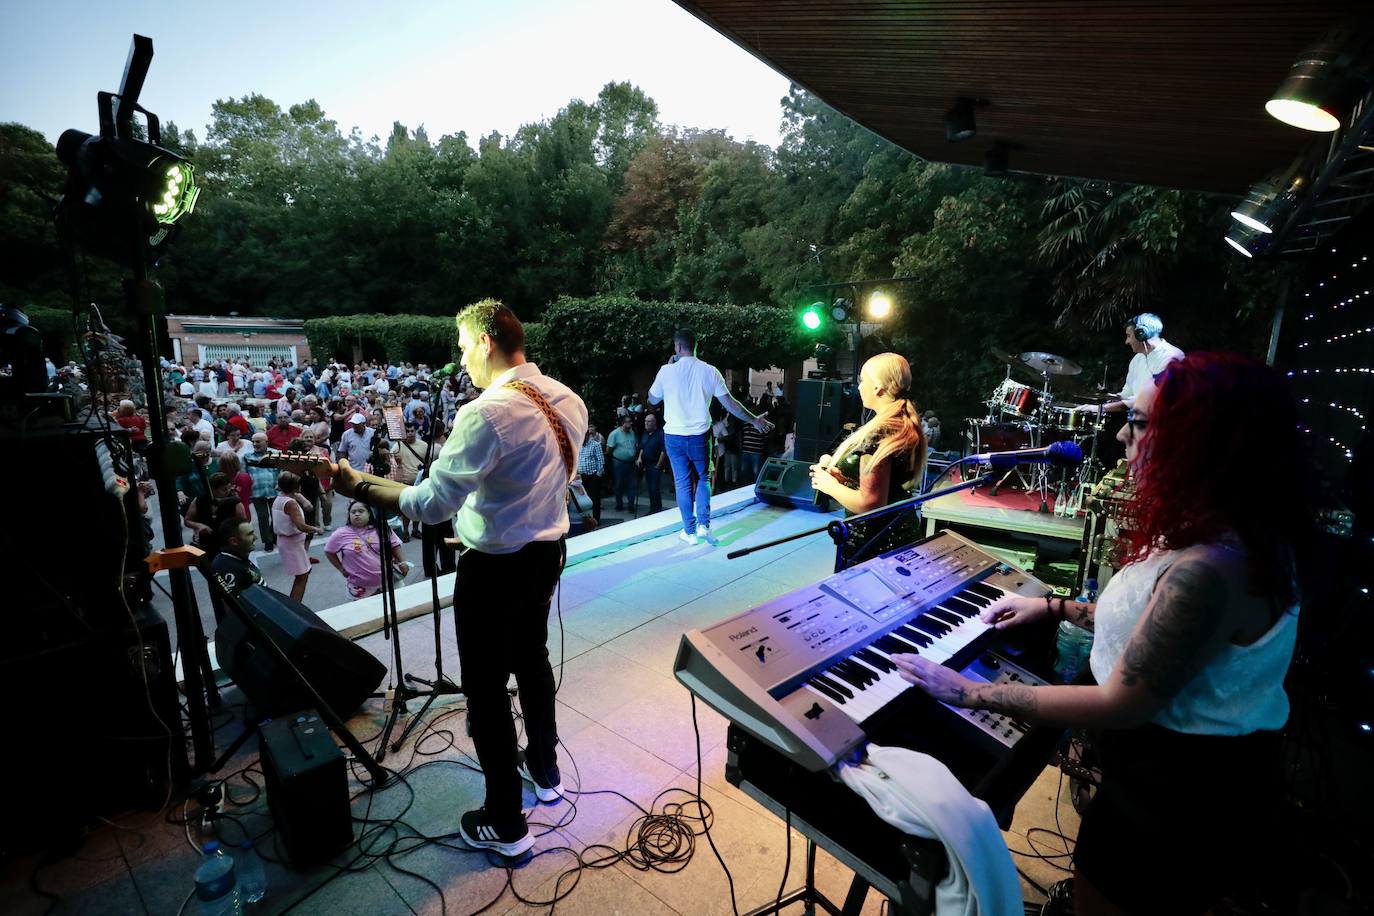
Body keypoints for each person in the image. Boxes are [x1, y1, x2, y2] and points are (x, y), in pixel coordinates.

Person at [895, 353, 1309, 916]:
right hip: (1169, 776)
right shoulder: (1222, 537)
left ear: (1200, 441)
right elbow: (1155, 630)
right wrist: (1056, 607)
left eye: (1139, 422)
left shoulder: (1211, 571)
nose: (1120, 434)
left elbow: (1123, 702)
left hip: (1175, 798)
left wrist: (968, 692)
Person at [333, 299, 587, 859]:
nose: (461, 356)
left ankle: (506, 824)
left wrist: (354, 485)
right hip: (546, 556)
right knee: (533, 662)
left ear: (486, 342)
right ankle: (545, 773)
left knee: (487, 691)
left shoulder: (486, 413)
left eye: (463, 344)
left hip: (494, 570)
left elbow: (428, 505)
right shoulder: (568, 399)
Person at [649, 328, 771, 545]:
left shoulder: (665, 371)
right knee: (704, 478)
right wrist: (754, 420)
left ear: (677, 347)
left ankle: (689, 532)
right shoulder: (710, 371)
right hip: (699, 436)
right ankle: (704, 526)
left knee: (683, 483)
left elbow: (653, 399)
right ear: (695, 346)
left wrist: (668, 368)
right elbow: (731, 403)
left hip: (674, 436)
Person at [808, 353, 927, 558]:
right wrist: (847, 481)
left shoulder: (879, 432)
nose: (859, 387)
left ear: (878, 387)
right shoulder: (902, 423)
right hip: (900, 534)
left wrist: (829, 485)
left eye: (862, 380)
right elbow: (886, 485)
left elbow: (870, 503)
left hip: (873, 544)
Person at [1084, 312, 1185, 414]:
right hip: (1140, 420)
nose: (1126, 341)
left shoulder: (1172, 357)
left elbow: (1151, 398)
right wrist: (1110, 397)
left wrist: (1101, 409)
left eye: (1128, 336)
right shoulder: (1137, 359)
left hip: (1163, 422)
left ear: (1140, 334)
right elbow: (1127, 395)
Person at [323, 501, 410, 598]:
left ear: (369, 513)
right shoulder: (340, 534)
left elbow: (394, 545)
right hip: (360, 588)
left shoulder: (381, 529)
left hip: (389, 581)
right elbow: (329, 551)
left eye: (361, 511)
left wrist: (403, 562)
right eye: (353, 512)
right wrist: (340, 568)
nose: (357, 514)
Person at [272, 471, 320, 602]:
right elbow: (301, 525)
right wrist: (315, 529)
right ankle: (295, 604)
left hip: (288, 542)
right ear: (295, 486)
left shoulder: (280, 498)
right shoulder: (290, 503)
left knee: (304, 573)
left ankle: (295, 603)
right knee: (302, 576)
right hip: (291, 544)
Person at [208, 517, 263, 600]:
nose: (255, 538)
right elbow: (233, 607)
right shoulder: (225, 568)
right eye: (250, 534)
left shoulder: (237, 557)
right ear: (234, 541)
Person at [245, 432, 278, 552]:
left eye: (258, 441)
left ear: (266, 442)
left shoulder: (276, 454)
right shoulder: (247, 456)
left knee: (276, 516)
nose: (255, 444)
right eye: (253, 442)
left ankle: (273, 534)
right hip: (257, 492)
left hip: (274, 490)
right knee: (263, 517)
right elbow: (245, 474)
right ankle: (267, 541)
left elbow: (282, 470)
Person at [607, 415, 639, 512]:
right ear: (623, 423)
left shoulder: (632, 433)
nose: (631, 423)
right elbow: (609, 449)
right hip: (619, 462)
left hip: (631, 462)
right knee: (619, 483)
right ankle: (619, 504)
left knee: (631, 484)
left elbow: (635, 445)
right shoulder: (615, 434)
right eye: (628, 422)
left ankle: (631, 505)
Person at [636, 412, 667, 514]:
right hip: (646, 465)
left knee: (655, 488)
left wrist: (658, 466)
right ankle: (652, 509)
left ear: (654, 423)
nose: (646, 423)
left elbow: (663, 451)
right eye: (645, 421)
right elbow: (642, 447)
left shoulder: (660, 434)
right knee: (649, 488)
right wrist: (640, 458)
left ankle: (657, 509)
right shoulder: (645, 434)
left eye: (648, 422)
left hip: (655, 465)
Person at [576, 425, 605, 523]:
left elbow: (601, 461)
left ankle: (596, 519)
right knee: (583, 499)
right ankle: (586, 519)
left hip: (593, 475)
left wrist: (598, 474)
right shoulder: (579, 446)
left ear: (587, 436)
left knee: (595, 498)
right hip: (582, 476)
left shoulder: (595, 445)